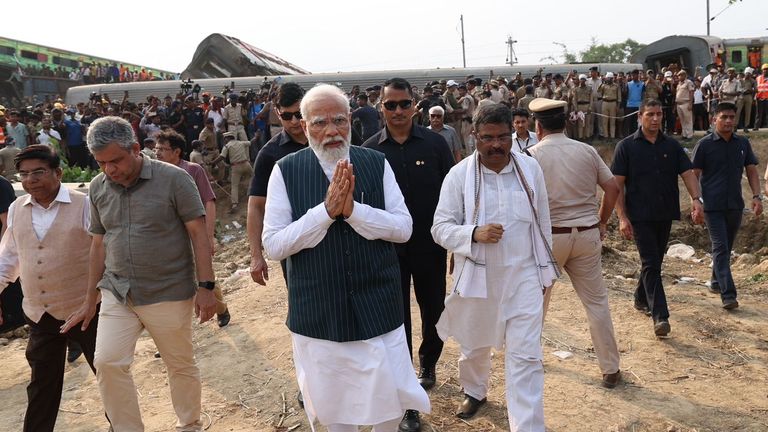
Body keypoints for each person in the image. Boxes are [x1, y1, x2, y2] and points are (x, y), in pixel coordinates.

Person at [262, 84, 429, 432]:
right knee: (333, 413)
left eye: (339, 120)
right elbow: (275, 245)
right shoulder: (285, 170)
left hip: (377, 311)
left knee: (386, 410)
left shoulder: (375, 162)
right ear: (305, 126)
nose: (332, 131)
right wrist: (325, 212)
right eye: (320, 123)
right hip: (319, 317)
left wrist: (354, 211)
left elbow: (404, 228)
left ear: (351, 120)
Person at [66, 116, 217, 432]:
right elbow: (98, 244)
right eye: (101, 163)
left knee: (179, 364)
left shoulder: (174, 179)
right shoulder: (98, 187)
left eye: (116, 160)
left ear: (135, 148)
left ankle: (189, 423)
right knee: (107, 363)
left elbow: (198, 233)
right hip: (117, 291)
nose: (110, 170)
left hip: (169, 290)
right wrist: (89, 298)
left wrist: (206, 286)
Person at [431, 103, 557, 431]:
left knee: (526, 357)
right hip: (477, 276)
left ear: (513, 135)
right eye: (488, 138)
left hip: (524, 277)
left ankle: (528, 426)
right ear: (475, 137)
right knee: (474, 345)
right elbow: (439, 228)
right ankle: (475, 390)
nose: (497, 145)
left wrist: (546, 271)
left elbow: (543, 222)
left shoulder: (530, 171)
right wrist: (473, 233)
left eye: (503, 137)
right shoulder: (458, 176)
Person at [363, 77, 454, 432]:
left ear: (414, 106)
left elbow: (452, 195)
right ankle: (403, 385)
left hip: (430, 246)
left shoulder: (435, 145)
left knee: (434, 309)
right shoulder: (369, 150)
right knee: (396, 317)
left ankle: (428, 363)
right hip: (387, 252)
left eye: (404, 104)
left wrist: (455, 244)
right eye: (390, 105)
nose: (398, 111)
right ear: (381, 108)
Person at [0, 145, 98, 432]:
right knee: (42, 384)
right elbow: (9, 257)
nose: (30, 180)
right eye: (24, 174)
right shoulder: (18, 208)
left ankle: (121, 425)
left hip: (87, 309)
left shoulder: (84, 204)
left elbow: (103, 253)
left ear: (58, 173)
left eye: (39, 172)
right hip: (40, 313)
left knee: (108, 375)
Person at [526, 98, 622, 388]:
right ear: (565, 123)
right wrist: (603, 220)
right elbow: (613, 187)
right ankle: (610, 368)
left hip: (549, 238)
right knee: (596, 302)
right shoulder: (587, 151)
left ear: (537, 127)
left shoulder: (531, 155)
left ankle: (530, 361)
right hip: (587, 233)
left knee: (536, 304)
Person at [611, 99, 704, 337]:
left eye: (658, 114)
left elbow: (688, 174)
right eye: (650, 114)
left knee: (654, 262)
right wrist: (622, 217)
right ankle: (660, 316)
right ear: (639, 116)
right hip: (639, 216)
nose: (655, 119)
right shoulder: (626, 147)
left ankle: (641, 297)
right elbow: (616, 186)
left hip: (665, 214)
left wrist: (696, 200)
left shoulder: (671, 146)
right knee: (652, 264)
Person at [155, 130, 230, 325]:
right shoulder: (155, 174)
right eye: (157, 149)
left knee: (203, 276)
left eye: (163, 149)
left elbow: (209, 202)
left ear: (177, 151)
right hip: (169, 238)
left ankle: (220, 308)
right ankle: (169, 331)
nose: (157, 153)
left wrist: (208, 236)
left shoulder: (193, 170)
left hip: (194, 234)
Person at [692, 102, 761, 310]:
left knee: (726, 247)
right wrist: (696, 202)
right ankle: (728, 294)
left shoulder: (742, 143)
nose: (729, 121)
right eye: (724, 117)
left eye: (732, 117)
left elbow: (751, 171)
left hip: (734, 206)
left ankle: (715, 281)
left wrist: (757, 196)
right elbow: (693, 174)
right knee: (721, 247)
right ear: (714, 119)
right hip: (711, 206)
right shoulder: (704, 145)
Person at [248, 82, 307, 286]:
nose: (294, 121)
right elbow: (256, 205)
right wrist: (256, 256)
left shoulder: (329, 141)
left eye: (299, 114)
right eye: (286, 116)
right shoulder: (269, 154)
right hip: (294, 244)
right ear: (276, 113)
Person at [211, 132, 253, 211]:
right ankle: (255, 193)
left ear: (227, 138)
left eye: (224, 139)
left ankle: (234, 204)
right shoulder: (241, 143)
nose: (224, 141)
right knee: (254, 177)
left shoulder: (227, 146)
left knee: (234, 186)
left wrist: (213, 162)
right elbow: (251, 142)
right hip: (246, 164)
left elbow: (222, 157)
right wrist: (256, 137)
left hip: (236, 167)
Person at [598, 72, 621, 139]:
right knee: (604, 121)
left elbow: (619, 97)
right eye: (608, 78)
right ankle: (606, 136)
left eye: (611, 78)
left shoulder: (616, 86)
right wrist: (602, 82)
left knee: (612, 121)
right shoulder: (603, 85)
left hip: (613, 103)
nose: (610, 79)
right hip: (605, 102)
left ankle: (612, 136)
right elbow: (598, 91)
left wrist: (618, 106)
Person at [676, 70, 696, 140]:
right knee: (682, 120)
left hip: (686, 103)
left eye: (681, 75)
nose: (680, 76)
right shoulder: (679, 84)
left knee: (688, 120)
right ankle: (684, 134)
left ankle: (689, 135)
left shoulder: (688, 82)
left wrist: (690, 103)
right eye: (679, 75)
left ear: (685, 75)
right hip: (679, 104)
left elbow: (691, 92)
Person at [754, 64, 768, 131]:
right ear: (762, 70)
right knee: (758, 114)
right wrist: (755, 97)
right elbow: (755, 88)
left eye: (767, 69)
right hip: (759, 99)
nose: (766, 71)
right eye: (764, 69)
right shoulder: (758, 78)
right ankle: (756, 127)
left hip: (767, 99)